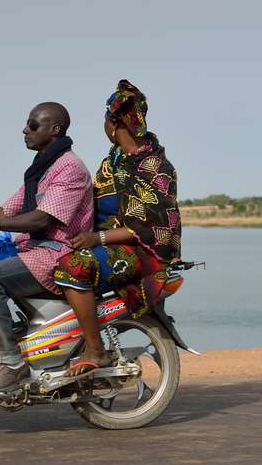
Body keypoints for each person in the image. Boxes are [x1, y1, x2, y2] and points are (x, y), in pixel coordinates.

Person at [0, 103, 94, 392]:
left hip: (56, 253)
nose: (25, 129)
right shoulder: (41, 168)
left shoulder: (69, 167)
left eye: (33, 124)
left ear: (55, 130)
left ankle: (11, 364)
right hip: (34, 248)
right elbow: (10, 208)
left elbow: (41, 219)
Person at [54, 80, 181, 377]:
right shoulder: (114, 161)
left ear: (114, 123)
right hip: (106, 243)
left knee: (72, 267)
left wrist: (95, 237)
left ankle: (96, 349)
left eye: (105, 119)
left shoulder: (156, 167)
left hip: (143, 251)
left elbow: (150, 225)